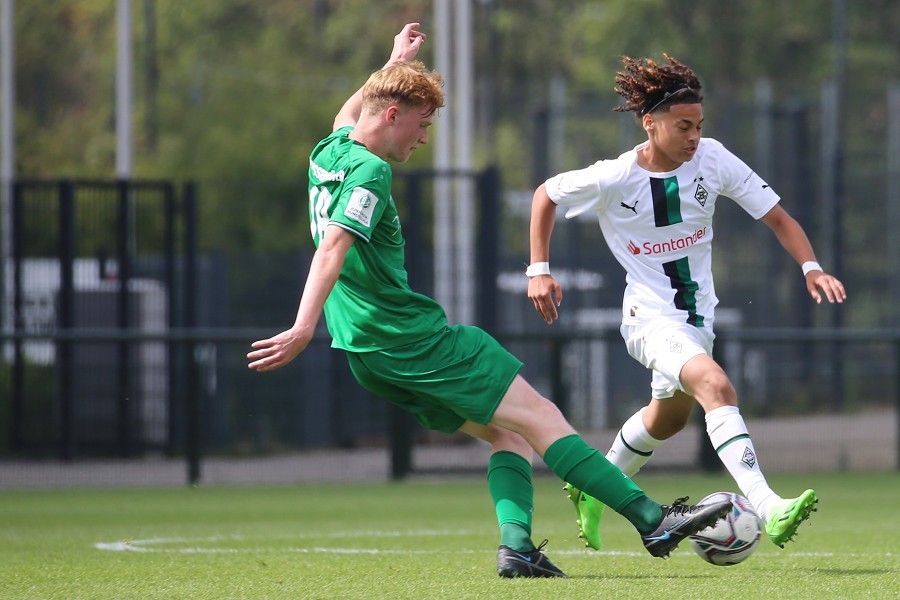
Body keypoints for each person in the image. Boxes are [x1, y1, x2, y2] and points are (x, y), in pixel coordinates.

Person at [247, 27, 731, 578]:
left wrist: (393, 64)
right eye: (422, 123)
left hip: (367, 352)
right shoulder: (372, 171)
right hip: (410, 339)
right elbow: (334, 246)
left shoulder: (330, 150)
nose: (424, 137)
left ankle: (518, 548)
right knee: (544, 418)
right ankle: (653, 520)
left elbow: (347, 114)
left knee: (508, 435)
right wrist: (304, 325)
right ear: (391, 115)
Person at [527, 54, 846, 553]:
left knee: (669, 419)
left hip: (697, 319)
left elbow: (779, 218)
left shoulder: (713, 159)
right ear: (649, 123)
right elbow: (545, 194)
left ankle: (595, 485)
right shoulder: (614, 177)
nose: (694, 136)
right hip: (648, 319)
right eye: (683, 126)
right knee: (715, 384)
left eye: (699, 125)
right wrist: (538, 270)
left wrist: (812, 268)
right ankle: (768, 505)